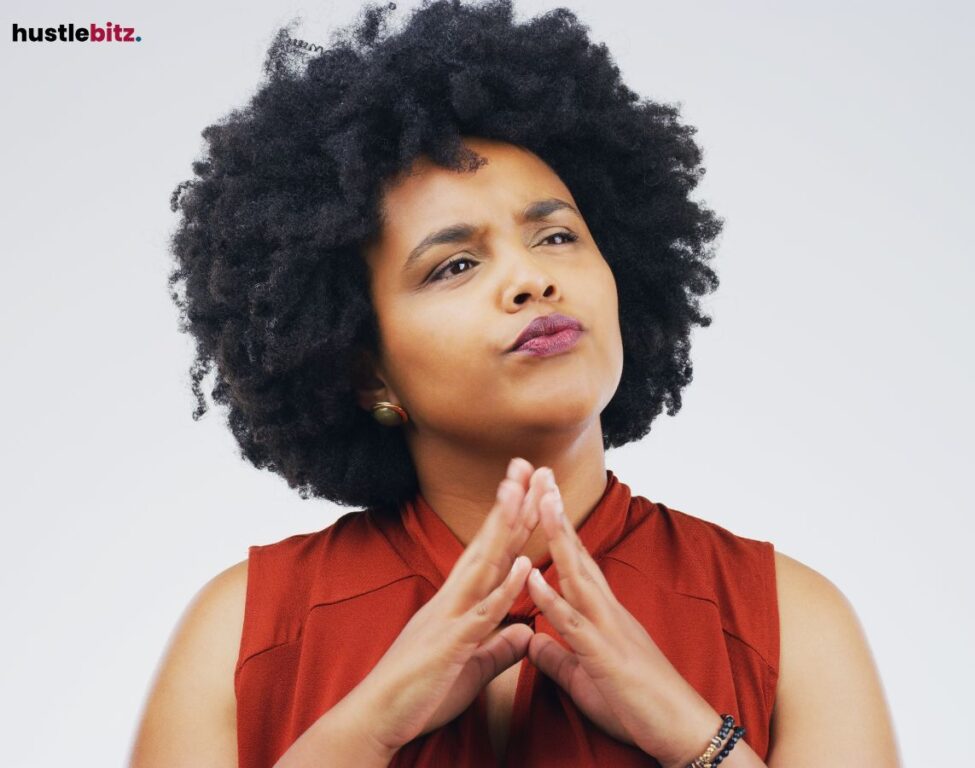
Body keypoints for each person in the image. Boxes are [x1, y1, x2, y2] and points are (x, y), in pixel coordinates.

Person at [129, 1, 901, 766]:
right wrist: (364, 729)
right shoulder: (247, 631)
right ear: (367, 370)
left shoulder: (787, 620)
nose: (532, 278)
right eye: (455, 264)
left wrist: (693, 736)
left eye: (557, 235)